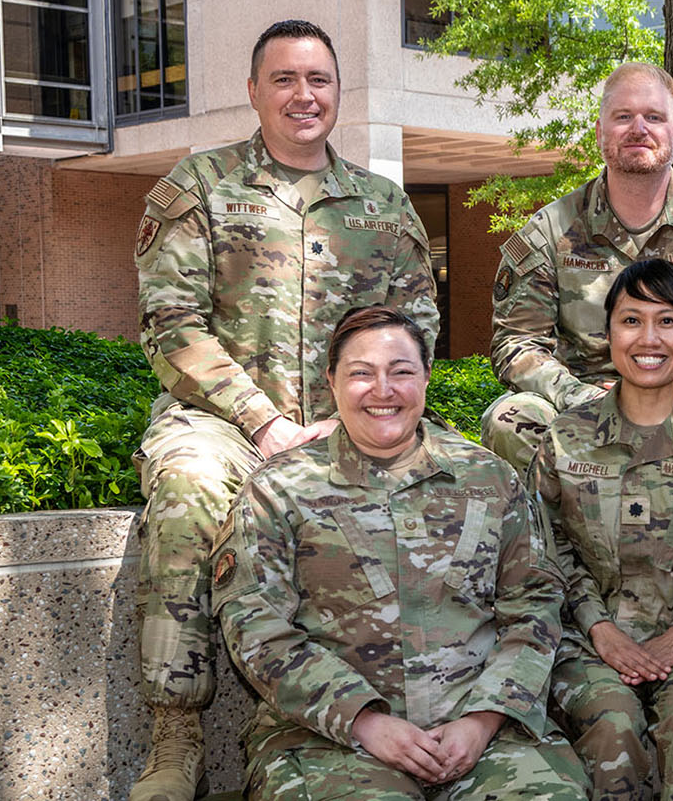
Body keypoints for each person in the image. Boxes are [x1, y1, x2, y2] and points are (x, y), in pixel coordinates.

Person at [131, 20, 439, 801]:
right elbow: (171, 324)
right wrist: (264, 422)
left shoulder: (382, 205)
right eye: (286, 80)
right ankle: (176, 733)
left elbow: (418, 326)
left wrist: (360, 412)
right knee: (190, 486)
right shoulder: (199, 185)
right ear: (254, 91)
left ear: (339, 91)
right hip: (225, 420)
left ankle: (435, 702)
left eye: (320, 81)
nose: (305, 96)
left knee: (462, 483)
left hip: (356, 418)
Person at [211, 307, 588, 801]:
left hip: (484, 731)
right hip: (332, 740)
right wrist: (364, 721)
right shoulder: (278, 491)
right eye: (361, 374)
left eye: (402, 372)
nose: (383, 390)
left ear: (427, 377)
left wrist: (482, 720)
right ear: (332, 381)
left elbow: (534, 607)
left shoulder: (489, 478)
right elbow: (255, 628)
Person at [527, 259, 673, 801]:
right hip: (585, 640)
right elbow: (544, 548)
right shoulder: (566, 441)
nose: (649, 338)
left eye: (667, 320)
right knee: (611, 727)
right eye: (631, 320)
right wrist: (599, 628)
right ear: (607, 333)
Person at [483, 61, 673, 476]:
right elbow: (518, 342)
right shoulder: (551, 230)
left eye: (654, 117)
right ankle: (555, 539)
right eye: (623, 116)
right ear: (600, 132)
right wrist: (579, 398)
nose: (638, 128)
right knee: (510, 419)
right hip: (582, 405)